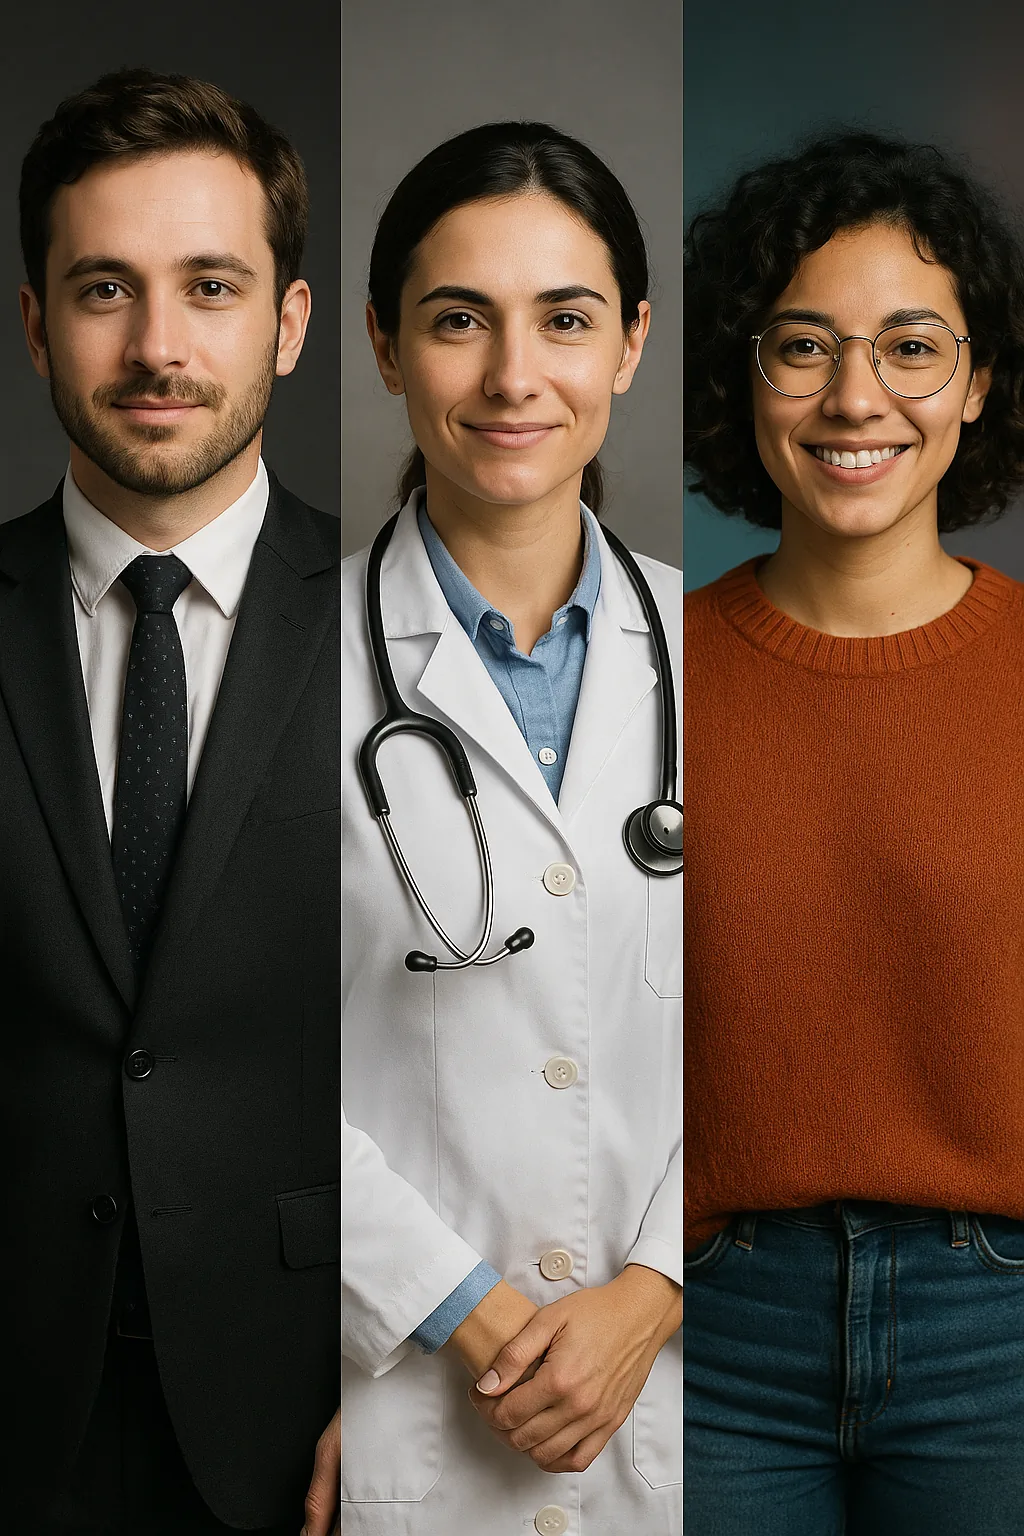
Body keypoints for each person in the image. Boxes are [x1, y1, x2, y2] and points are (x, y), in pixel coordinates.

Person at [2, 70, 340, 1534]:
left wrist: (406, 1382)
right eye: (102, 290)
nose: (156, 347)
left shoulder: (422, 620)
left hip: (317, 1411)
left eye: (210, 285)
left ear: (291, 321)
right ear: (33, 325)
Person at [341, 122, 682, 1534]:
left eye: (566, 318)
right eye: (459, 320)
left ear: (633, 344)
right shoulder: (276, 663)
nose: (513, 377)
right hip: (402, 1419)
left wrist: (656, 1286)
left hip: (683, 1412)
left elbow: (797, 1027)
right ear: (380, 343)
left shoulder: (727, 651)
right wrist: (458, 1305)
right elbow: (213, 1055)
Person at [683, 128, 1024, 1533]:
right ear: (743, 376)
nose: (854, 396)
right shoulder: (646, 666)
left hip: (1000, 1331)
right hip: (705, 1335)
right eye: (803, 344)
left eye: (910, 345)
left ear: (980, 383)